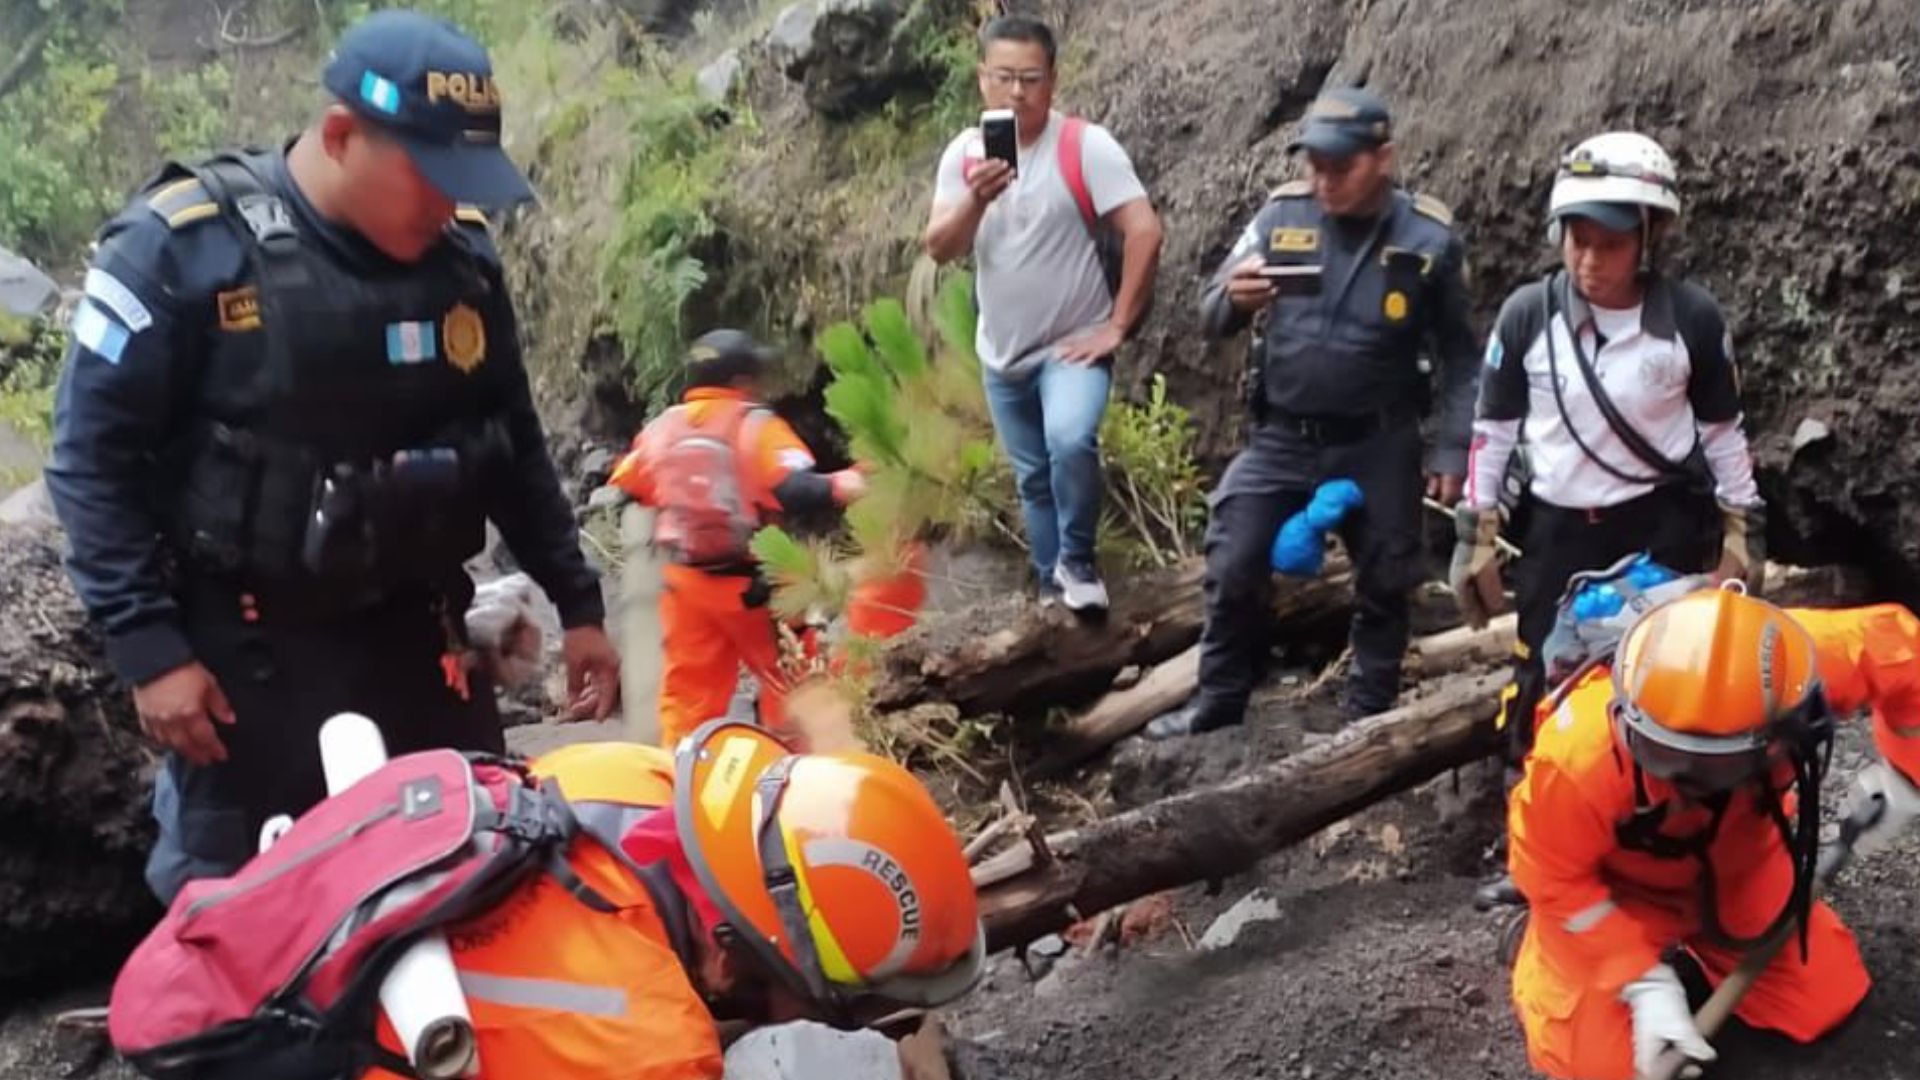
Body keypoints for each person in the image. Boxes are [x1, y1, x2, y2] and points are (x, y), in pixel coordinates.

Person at [42, 9, 620, 904]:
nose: (445, 203)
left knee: (476, 879)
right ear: (343, 135)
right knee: (248, 911)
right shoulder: (183, 248)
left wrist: (578, 601)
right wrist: (150, 650)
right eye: (428, 176)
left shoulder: (463, 264)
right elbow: (88, 462)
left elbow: (510, 443)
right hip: (250, 656)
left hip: (419, 633)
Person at [1149, 87, 1480, 737]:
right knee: (1233, 558)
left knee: (1387, 579)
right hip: (1283, 437)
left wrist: (1451, 446)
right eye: (1313, 166)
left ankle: (1368, 717)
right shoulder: (1280, 218)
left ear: (1382, 157)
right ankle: (1219, 700)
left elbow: (1464, 360)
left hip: (1380, 440)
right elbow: (1211, 309)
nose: (1322, 179)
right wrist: (1234, 300)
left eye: (1340, 166)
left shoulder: (1430, 238)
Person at [1505, 579, 1920, 1080]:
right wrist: (1637, 978)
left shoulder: (1798, 668)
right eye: (1666, 755)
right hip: (1620, 893)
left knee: (1823, 1002)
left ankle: (1708, 949)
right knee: (1608, 1069)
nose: (1680, 782)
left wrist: (1907, 774)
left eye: (1705, 765)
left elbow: (1903, 652)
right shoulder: (1575, 760)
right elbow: (1553, 879)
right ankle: (1540, 955)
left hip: (1741, 862)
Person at [1451, 131, 1766, 782]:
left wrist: (1742, 531)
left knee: (1666, 680)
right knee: (1541, 679)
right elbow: (1494, 433)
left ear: (1650, 237)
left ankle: (1661, 828)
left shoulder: (1690, 321)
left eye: (1612, 243)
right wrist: (1475, 534)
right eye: (1578, 239)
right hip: (1559, 531)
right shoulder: (1527, 318)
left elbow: (1722, 433)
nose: (1590, 260)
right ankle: (1535, 834)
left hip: (1660, 529)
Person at [923, 13, 1164, 613]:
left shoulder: (1085, 147)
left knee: (1070, 438)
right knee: (1032, 477)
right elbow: (940, 247)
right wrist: (976, 199)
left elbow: (1144, 231)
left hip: (1072, 342)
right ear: (982, 80)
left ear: (1053, 79)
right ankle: (1051, 589)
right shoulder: (963, 155)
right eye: (1004, 77)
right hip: (1001, 351)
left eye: (1031, 78)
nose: (1017, 92)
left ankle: (1078, 562)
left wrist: (1116, 326)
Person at [606, 329, 868, 748]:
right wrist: (848, 482)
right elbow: (794, 490)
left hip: (686, 585)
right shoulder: (755, 425)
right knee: (795, 687)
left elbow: (627, 488)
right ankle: (797, 775)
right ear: (742, 381)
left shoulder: (661, 429)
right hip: (755, 587)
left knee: (687, 698)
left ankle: (683, 784)